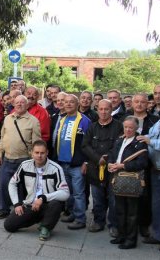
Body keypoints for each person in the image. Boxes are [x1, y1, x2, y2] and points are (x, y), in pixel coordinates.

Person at [3, 140, 70, 241]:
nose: (39, 156)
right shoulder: (25, 165)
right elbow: (12, 183)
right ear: (31, 153)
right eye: (37, 153)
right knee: (9, 225)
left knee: (56, 204)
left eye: (42, 153)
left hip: (48, 205)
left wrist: (43, 198)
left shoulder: (56, 168)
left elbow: (65, 193)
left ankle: (46, 227)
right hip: (30, 204)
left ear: (47, 152)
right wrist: (16, 204)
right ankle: (39, 218)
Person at [0, 95, 41, 219]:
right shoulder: (8, 119)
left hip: (24, 159)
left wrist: (35, 159)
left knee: (20, 187)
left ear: (27, 105)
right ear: (13, 104)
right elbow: (3, 138)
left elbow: (37, 143)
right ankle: (3, 209)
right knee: (4, 184)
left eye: (22, 102)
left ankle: (19, 210)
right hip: (7, 158)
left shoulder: (33, 121)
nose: (19, 105)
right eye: (17, 103)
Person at [82, 99, 123, 236]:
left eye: (106, 109)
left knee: (113, 199)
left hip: (112, 169)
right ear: (97, 109)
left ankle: (114, 225)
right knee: (97, 198)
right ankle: (98, 221)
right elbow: (85, 145)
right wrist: (96, 158)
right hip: (95, 169)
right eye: (101, 109)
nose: (103, 112)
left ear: (111, 109)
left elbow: (119, 146)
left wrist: (106, 159)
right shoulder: (92, 126)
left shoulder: (119, 126)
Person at [108, 116, 148, 249]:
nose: (128, 129)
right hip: (118, 179)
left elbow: (142, 163)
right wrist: (110, 164)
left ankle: (131, 240)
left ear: (136, 128)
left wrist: (122, 166)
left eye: (131, 127)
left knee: (132, 213)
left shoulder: (140, 142)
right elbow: (113, 154)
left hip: (132, 180)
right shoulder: (120, 140)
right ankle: (121, 235)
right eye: (126, 127)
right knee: (119, 210)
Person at [138, 94, 160, 252]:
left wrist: (151, 142)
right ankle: (158, 235)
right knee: (157, 205)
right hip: (156, 169)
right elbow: (148, 136)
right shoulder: (159, 121)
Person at [54, 94, 91, 230]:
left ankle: (80, 219)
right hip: (63, 163)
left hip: (77, 165)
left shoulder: (84, 120)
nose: (68, 104)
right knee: (68, 192)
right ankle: (71, 213)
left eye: (72, 102)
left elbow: (89, 143)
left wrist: (86, 162)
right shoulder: (62, 119)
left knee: (78, 193)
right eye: (66, 102)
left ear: (77, 104)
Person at [126, 93, 159, 237]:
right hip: (127, 163)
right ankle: (127, 225)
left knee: (145, 196)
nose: (139, 104)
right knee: (126, 194)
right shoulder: (124, 119)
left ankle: (144, 225)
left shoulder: (155, 121)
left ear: (148, 104)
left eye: (143, 102)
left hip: (147, 164)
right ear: (132, 103)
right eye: (136, 101)